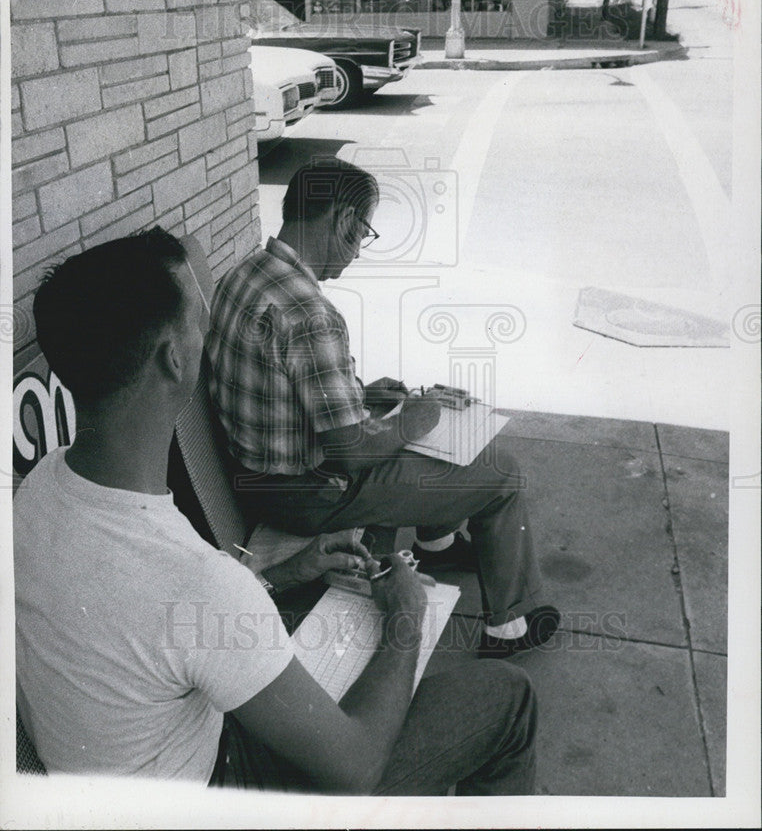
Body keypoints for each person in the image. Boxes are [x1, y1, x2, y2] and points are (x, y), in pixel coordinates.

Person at [14, 228, 537, 794]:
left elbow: (154, 631)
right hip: (218, 790)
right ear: (173, 359)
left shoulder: (38, 489)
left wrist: (279, 575)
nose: (208, 330)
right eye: (199, 320)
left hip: (133, 770)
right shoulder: (195, 581)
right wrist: (406, 619)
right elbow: (354, 767)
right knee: (510, 699)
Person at [207, 161, 560, 659]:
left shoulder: (243, 275)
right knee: (499, 470)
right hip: (310, 494)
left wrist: (365, 396)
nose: (357, 250)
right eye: (363, 233)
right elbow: (351, 451)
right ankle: (512, 623)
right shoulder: (310, 312)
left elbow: (280, 391)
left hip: (258, 475)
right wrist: (412, 420)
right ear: (343, 220)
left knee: (419, 427)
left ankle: (438, 544)